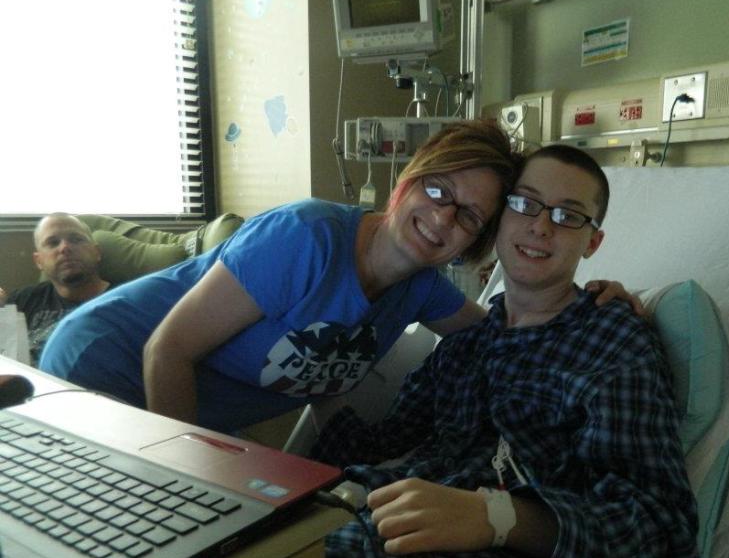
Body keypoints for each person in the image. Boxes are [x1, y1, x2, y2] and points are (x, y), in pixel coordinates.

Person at [257, 145, 699, 558]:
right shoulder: (467, 347)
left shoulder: (612, 344)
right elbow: (375, 446)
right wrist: (317, 385)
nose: (540, 227)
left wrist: (501, 517)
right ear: (499, 218)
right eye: (525, 204)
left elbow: (659, 536)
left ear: (592, 242)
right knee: (241, 556)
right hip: (384, 530)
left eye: (567, 216)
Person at [39, 121, 637, 433]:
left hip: (170, 401)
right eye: (438, 190)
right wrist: (190, 479)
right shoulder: (305, 238)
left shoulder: (420, 290)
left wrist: (604, 302)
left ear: (473, 242)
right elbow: (167, 348)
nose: (442, 218)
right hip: (103, 364)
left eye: (469, 216)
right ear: (406, 182)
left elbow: (509, 334)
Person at [0, 213, 111, 363]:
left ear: (96, 252)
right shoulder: (21, 301)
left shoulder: (124, 303)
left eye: (76, 239)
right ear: (38, 261)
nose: (65, 248)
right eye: (53, 243)